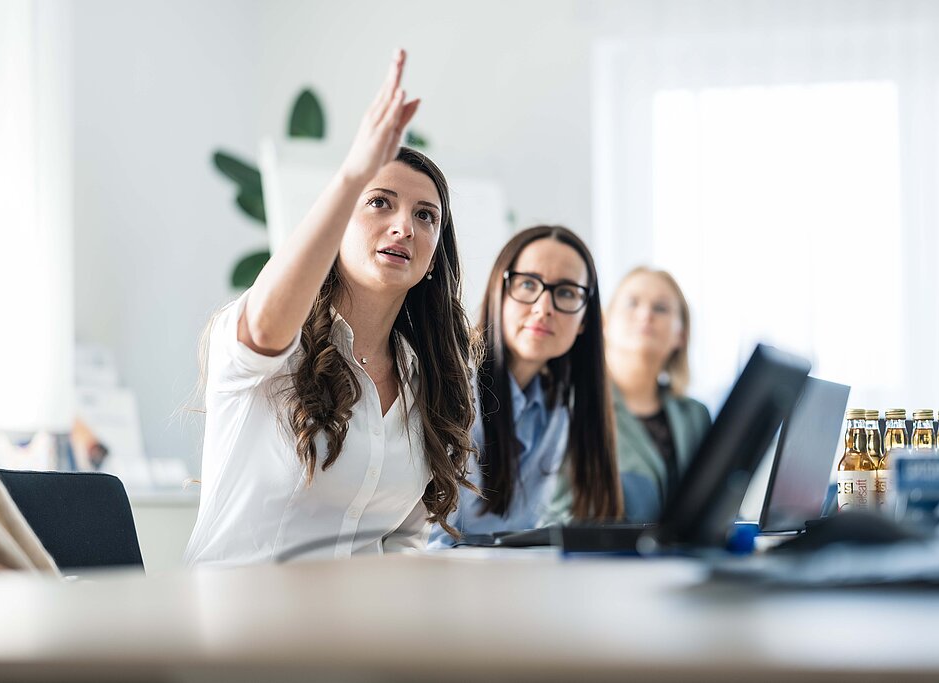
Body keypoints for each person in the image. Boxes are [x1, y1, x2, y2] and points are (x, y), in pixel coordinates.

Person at [184, 50, 478, 566]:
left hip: (357, 617)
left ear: (433, 256)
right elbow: (264, 328)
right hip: (238, 612)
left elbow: (402, 545)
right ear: (337, 224)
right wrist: (353, 176)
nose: (403, 227)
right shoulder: (274, 344)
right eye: (379, 202)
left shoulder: (428, 378)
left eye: (425, 216)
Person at [430, 226, 622, 546]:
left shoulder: (555, 407)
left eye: (566, 292)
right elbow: (433, 538)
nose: (543, 308)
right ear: (499, 292)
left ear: (585, 319)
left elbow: (524, 530)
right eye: (528, 284)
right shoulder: (454, 382)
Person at [547, 267, 711, 523]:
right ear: (605, 323)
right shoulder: (571, 406)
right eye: (632, 303)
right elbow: (555, 517)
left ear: (681, 335)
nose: (645, 315)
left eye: (661, 308)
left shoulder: (695, 415)